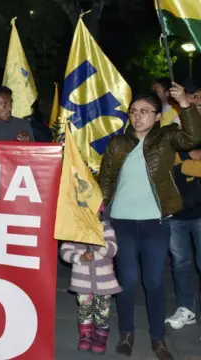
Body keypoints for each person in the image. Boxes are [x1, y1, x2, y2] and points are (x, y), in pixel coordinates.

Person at [98, 83, 201, 360]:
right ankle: (127, 333)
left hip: (156, 220)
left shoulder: (167, 138)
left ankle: (158, 339)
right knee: (128, 280)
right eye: (133, 111)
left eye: (145, 111)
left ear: (157, 116)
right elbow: (106, 179)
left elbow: (193, 137)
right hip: (122, 221)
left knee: (154, 282)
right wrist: (100, 212)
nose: (138, 116)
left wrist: (185, 105)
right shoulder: (118, 143)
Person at [164, 81, 201, 330]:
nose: (198, 101)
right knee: (181, 262)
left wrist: (184, 158)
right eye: (195, 97)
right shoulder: (172, 127)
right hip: (176, 209)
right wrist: (191, 156)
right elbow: (170, 159)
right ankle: (186, 308)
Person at [59, 221, 121, 354]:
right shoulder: (75, 226)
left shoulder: (105, 227)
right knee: (84, 309)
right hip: (82, 281)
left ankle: (100, 338)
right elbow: (64, 251)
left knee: (102, 311)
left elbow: (112, 250)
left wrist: (97, 241)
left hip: (104, 281)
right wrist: (79, 257)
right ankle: (85, 336)